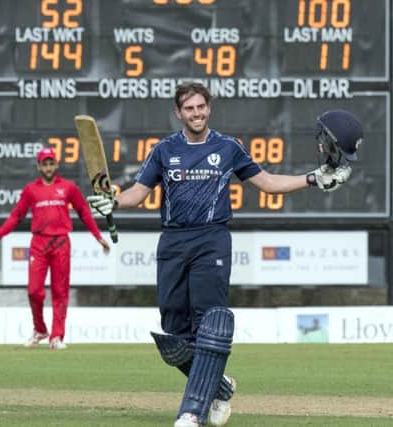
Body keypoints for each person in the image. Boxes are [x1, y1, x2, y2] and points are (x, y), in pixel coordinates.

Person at [87, 82, 358, 426]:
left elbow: (268, 183)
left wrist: (313, 178)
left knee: (209, 324)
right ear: (178, 113)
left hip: (211, 239)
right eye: (189, 109)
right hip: (172, 241)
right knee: (173, 336)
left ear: (209, 108)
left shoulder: (228, 147)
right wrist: (112, 201)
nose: (196, 113)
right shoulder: (163, 150)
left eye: (201, 107)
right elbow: (137, 193)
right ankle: (221, 386)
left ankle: (191, 412)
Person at [0, 147, 110, 350]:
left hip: (61, 243)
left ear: (56, 164)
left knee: (60, 291)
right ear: (39, 166)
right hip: (39, 244)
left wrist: (98, 236)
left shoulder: (68, 187)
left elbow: (84, 211)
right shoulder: (31, 190)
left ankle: (56, 337)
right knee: (34, 291)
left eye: (51, 163)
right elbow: (16, 216)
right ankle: (40, 329)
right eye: (44, 164)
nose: (48, 167)